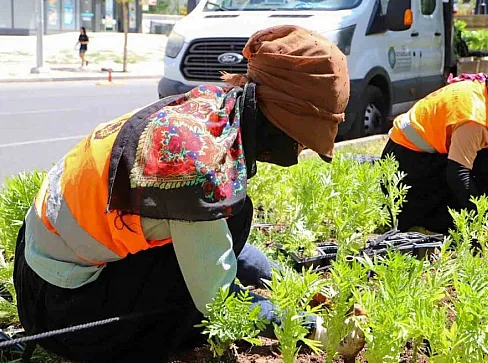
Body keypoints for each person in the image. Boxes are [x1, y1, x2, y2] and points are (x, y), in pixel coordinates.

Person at [14, 25, 363, 363]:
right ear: (279, 117)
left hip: (38, 268)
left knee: (227, 224)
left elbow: (221, 247)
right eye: (305, 136)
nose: (302, 147)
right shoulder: (201, 168)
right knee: (201, 304)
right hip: (64, 315)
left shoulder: (211, 110)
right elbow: (220, 302)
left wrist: (294, 282)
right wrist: (313, 327)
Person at [382, 45, 488, 234]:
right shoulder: (475, 118)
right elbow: (458, 175)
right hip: (404, 173)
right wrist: (481, 220)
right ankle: (428, 223)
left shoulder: (485, 91)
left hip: (415, 158)